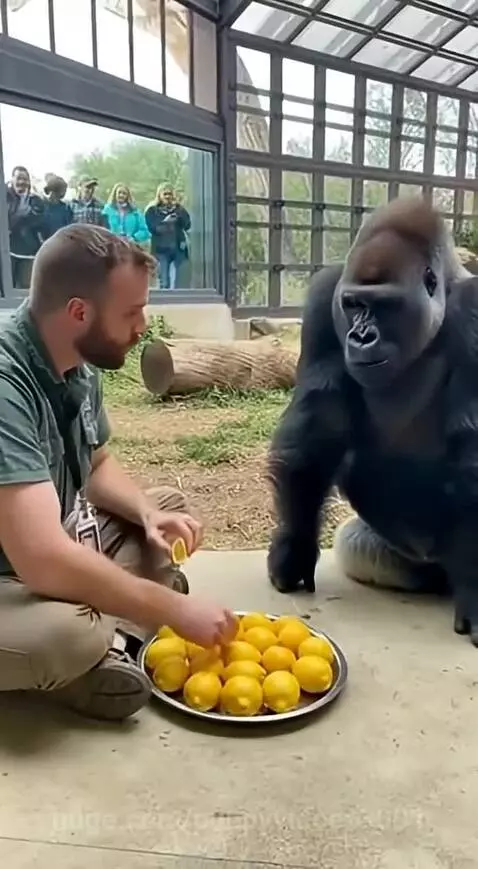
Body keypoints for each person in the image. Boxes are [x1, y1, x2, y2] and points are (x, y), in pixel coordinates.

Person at [0, 224, 236, 722]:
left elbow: (98, 463)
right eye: (131, 312)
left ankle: (114, 640)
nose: (143, 325)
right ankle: (87, 653)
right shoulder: (5, 386)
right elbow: (40, 560)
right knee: (67, 636)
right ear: (78, 312)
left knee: (167, 507)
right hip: (17, 569)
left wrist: (147, 513)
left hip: (37, 546)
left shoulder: (78, 359)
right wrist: (169, 611)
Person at [144, 184, 191, 289]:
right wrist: (166, 221)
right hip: (161, 249)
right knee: (164, 281)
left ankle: (176, 303)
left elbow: (187, 225)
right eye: (165, 194)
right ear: (159, 195)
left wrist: (179, 211)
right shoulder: (152, 211)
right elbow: (152, 228)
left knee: (176, 282)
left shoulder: (178, 209)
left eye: (170, 194)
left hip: (178, 248)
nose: (167, 197)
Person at [6, 166, 45, 289]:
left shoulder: (36, 200)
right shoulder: (5, 198)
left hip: (27, 253)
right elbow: (6, 225)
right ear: (12, 179)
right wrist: (20, 214)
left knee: (25, 291)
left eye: (25, 179)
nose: (21, 182)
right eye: (18, 178)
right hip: (6, 253)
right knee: (5, 291)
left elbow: (39, 224)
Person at [42, 174, 74, 239]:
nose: (65, 191)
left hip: (61, 243)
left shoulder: (66, 208)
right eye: (64, 189)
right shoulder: (42, 207)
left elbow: (70, 229)